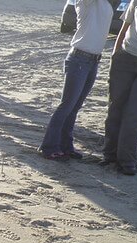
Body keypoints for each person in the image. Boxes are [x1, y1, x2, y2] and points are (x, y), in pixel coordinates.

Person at [39, 0, 116, 162]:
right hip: (79, 58)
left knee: (74, 107)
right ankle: (49, 146)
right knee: (67, 105)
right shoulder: (87, 2)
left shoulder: (107, 4)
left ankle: (66, 146)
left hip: (93, 61)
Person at [103, 0, 137, 176]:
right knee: (115, 108)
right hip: (125, 59)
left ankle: (127, 160)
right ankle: (109, 156)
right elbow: (125, 27)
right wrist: (115, 55)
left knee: (135, 115)